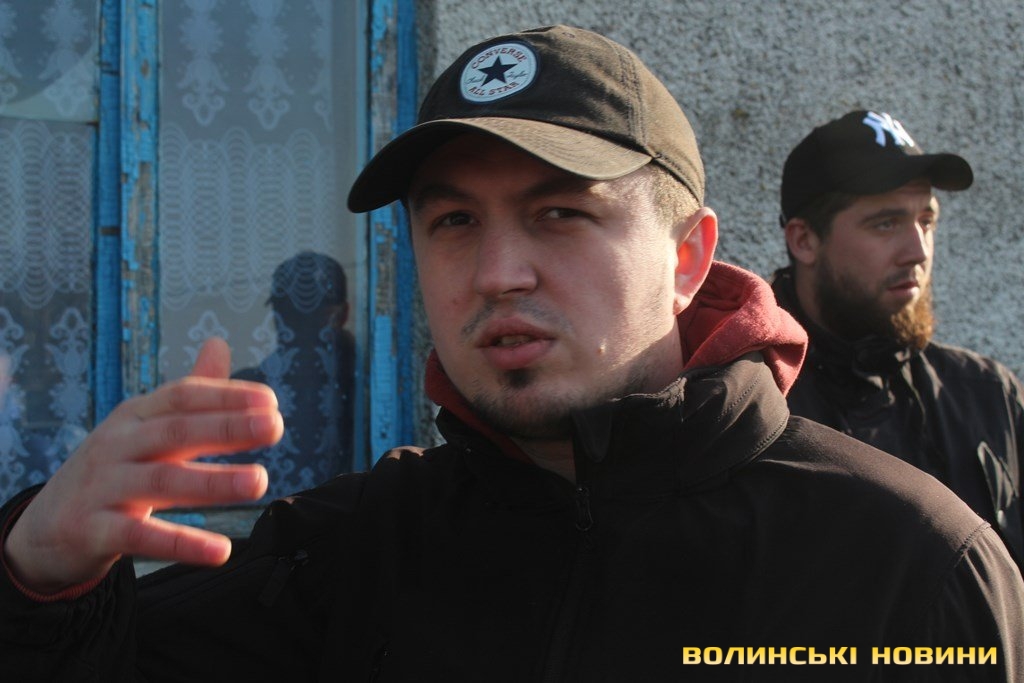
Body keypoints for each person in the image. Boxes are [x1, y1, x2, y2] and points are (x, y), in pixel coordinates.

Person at [1, 26, 1022, 681]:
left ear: (686, 257)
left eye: (560, 212)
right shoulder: (345, 555)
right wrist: (38, 578)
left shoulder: (910, 565)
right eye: (452, 221)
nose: (496, 272)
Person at [771, 110, 1024, 569]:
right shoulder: (753, 406)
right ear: (804, 240)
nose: (918, 251)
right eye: (886, 223)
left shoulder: (990, 395)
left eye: (926, 221)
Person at [229, 251, 357, 498]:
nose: (301, 327)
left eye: (314, 316)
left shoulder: (362, 385)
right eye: (290, 314)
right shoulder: (248, 389)